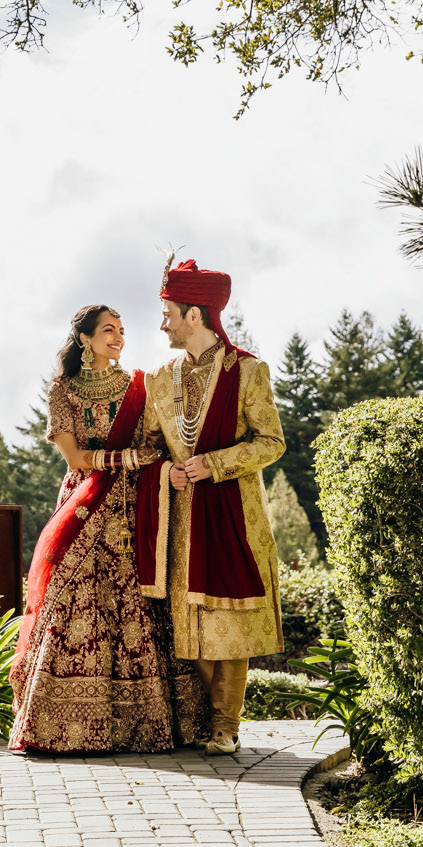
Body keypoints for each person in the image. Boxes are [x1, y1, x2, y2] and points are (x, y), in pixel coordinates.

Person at [7, 305, 206, 753]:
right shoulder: (63, 390)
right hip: (86, 503)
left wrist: (154, 459)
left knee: (138, 598)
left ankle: (151, 724)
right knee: (75, 595)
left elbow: (157, 438)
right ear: (85, 339)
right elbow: (75, 458)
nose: (118, 337)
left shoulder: (140, 383)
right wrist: (127, 459)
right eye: (109, 330)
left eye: (122, 330)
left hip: (136, 506)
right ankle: (59, 725)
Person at [136, 258, 287, 755]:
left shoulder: (248, 371)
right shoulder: (159, 379)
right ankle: (206, 719)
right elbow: (151, 445)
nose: (163, 323)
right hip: (181, 518)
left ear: (195, 314)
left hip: (234, 512)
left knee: (232, 619)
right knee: (189, 622)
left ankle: (225, 725)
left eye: (169, 313)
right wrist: (168, 471)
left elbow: (271, 443)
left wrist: (215, 464)